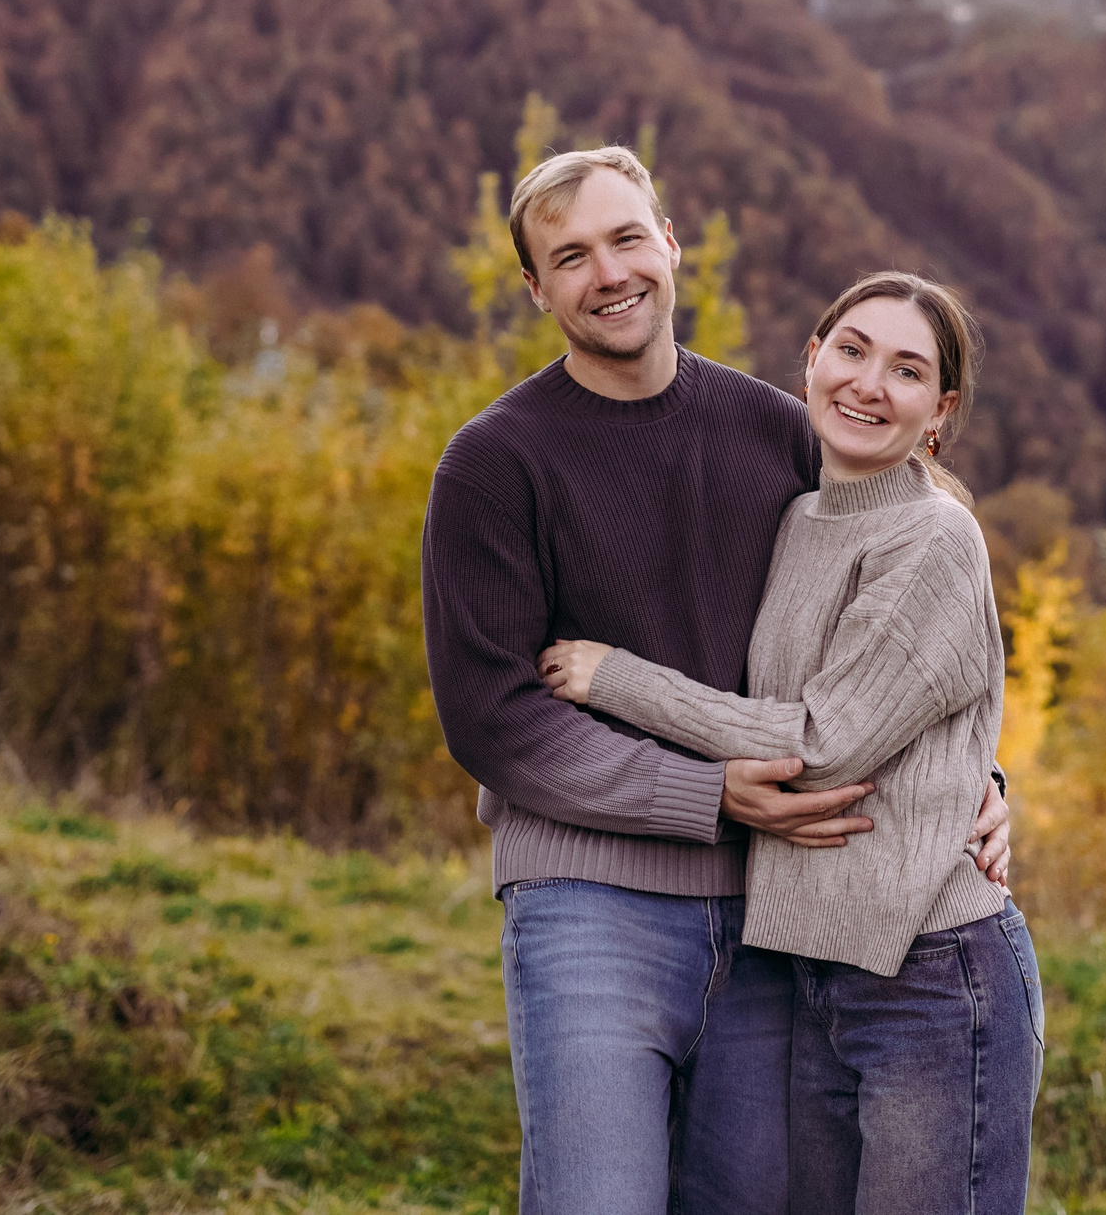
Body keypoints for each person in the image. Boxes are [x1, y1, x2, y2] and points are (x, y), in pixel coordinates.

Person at [420, 148, 1011, 1215]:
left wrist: (981, 781)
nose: (607, 272)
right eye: (570, 256)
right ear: (536, 288)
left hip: (766, 919)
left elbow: (882, 645)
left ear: (668, 243)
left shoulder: (776, 434)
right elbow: (491, 717)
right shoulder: (493, 464)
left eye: (625, 238)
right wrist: (702, 794)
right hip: (588, 898)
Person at [539, 272, 1043, 1215]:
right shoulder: (800, 515)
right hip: (812, 976)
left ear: (941, 409)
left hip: (933, 977)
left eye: (906, 369)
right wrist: (978, 774)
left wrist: (617, 679)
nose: (867, 382)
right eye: (851, 350)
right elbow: (857, 705)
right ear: (810, 362)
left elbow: (822, 740)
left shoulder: (935, 536)